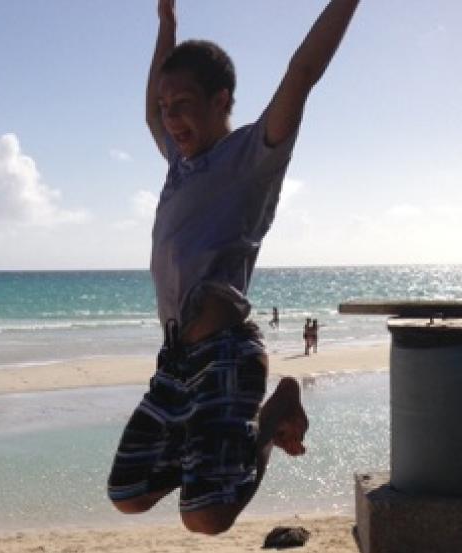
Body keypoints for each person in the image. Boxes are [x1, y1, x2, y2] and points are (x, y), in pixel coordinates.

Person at [107, 0, 357, 536]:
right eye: (166, 105)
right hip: (176, 361)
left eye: (185, 104)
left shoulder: (252, 156)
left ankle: (268, 420)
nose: (171, 118)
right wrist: (167, 23)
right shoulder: (179, 162)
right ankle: (209, 451)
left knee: (207, 517)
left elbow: (303, 71)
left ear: (221, 101)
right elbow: (149, 113)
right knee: (127, 492)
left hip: (226, 352)